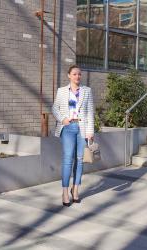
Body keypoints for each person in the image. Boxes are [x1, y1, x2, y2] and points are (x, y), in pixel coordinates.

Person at [52, 65, 94, 206]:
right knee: (68, 159)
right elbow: (55, 108)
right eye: (74, 74)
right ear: (69, 75)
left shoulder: (87, 91)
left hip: (82, 128)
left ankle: (75, 189)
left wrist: (90, 131)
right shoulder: (62, 91)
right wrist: (62, 119)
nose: (77, 76)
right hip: (68, 127)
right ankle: (64, 192)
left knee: (80, 159)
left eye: (79, 74)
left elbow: (90, 112)